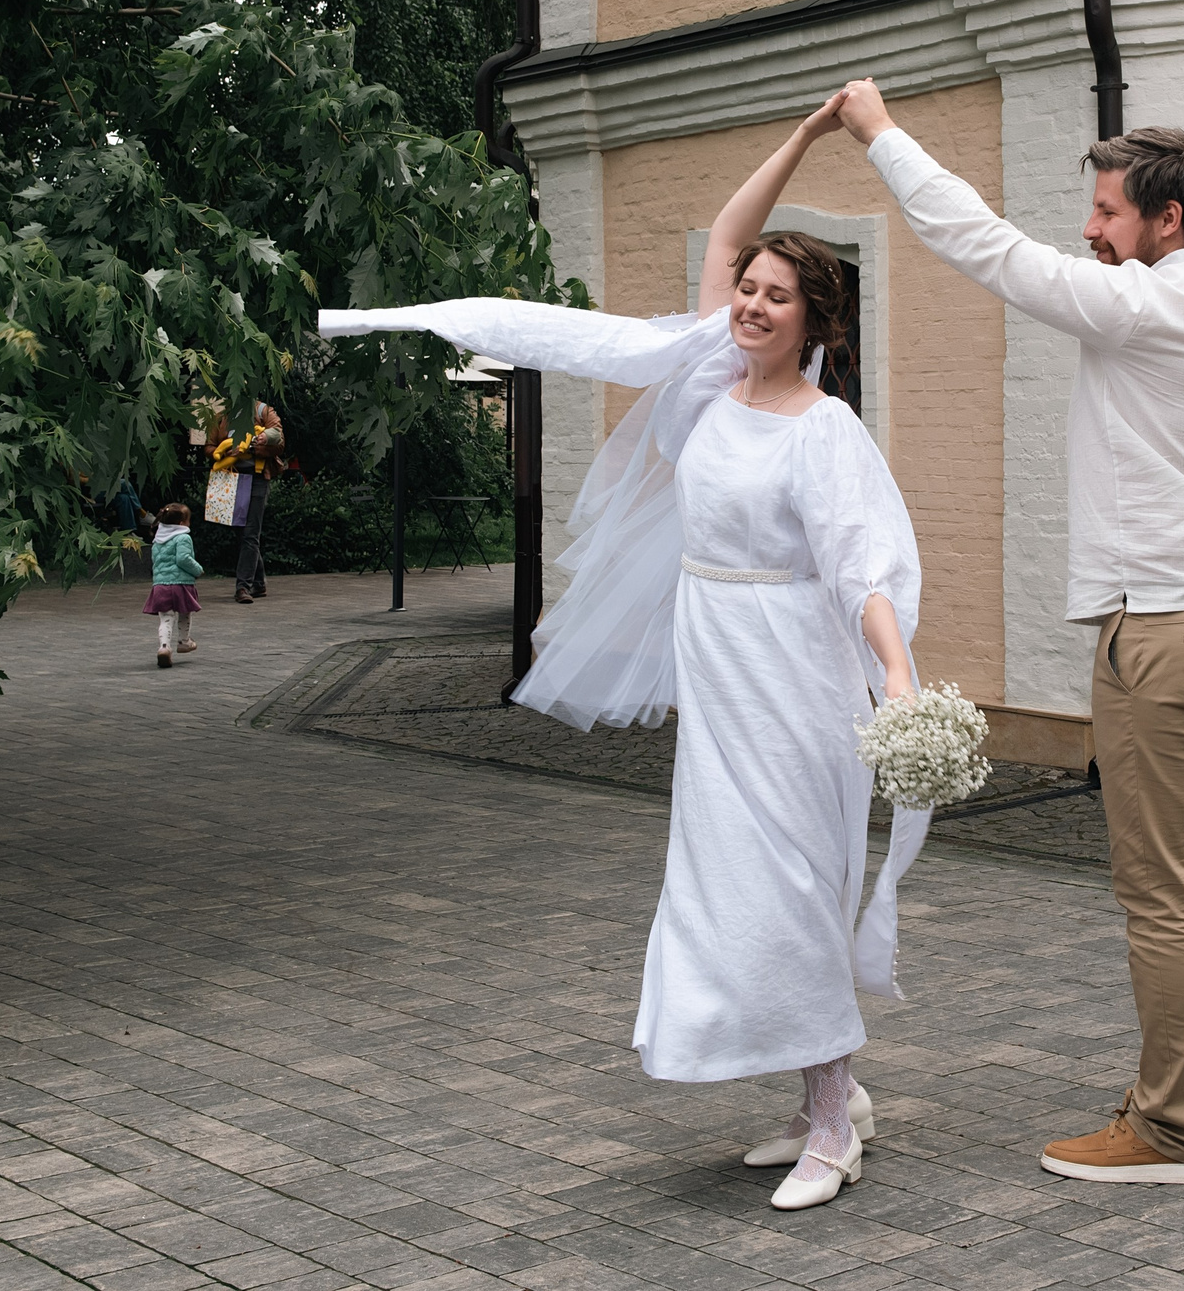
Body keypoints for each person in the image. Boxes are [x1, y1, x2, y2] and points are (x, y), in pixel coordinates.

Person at [317, 95, 930, 1212]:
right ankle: (816, 1095)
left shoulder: (825, 430)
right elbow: (728, 227)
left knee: (789, 883)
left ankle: (835, 1114)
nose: (746, 304)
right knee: (725, 879)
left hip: (794, 671)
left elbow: (861, 567)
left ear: (814, 323)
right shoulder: (707, 378)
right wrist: (796, 137)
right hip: (719, 665)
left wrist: (894, 675)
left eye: (771, 296)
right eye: (744, 289)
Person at [836, 78, 1184, 1187]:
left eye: (1107, 213)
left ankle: (1170, 1126)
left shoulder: (1147, 304)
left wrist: (880, 133)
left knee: (1162, 887)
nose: (1090, 233)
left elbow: (983, 245)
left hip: (1169, 638)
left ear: (1166, 221)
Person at [209, 402, 285, 604]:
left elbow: (279, 442)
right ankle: (258, 583)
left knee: (251, 532)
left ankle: (243, 586)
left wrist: (255, 448)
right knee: (241, 532)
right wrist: (225, 453)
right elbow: (209, 447)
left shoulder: (263, 411)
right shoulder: (222, 416)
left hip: (258, 478)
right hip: (230, 478)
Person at [146, 503, 203, 667]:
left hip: (161, 585)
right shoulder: (183, 537)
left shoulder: (158, 540)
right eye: (188, 520)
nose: (189, 524)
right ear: (181, 523)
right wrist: (197, 570)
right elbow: (183, 559)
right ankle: (184, 641)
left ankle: (164, 647)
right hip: (181, 583)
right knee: (185, 612)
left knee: (165, 618)